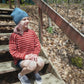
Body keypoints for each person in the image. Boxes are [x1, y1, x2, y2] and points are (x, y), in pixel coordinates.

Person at [9, 8, 44, 84]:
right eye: (24, 19)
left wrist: (35, 54)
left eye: (27, 19)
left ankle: (35, 72)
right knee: (32, 65)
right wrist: (25, 57)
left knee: (41, 62)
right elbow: (13, 51)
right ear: (18, 22)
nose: (27, 21)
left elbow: (37, 45)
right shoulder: (14, 36)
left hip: (32, 56)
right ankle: (21, 75)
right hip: (20, 60)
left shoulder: (32, 32)